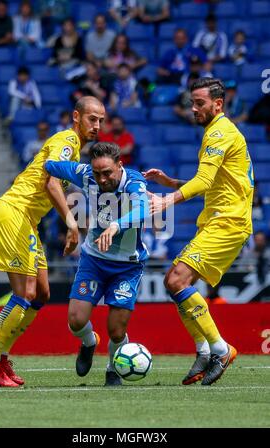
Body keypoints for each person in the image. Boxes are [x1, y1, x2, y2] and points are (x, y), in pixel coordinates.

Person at [0, 96, 105, 388]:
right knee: (24, 294)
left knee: (41, 294)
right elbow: (51, 181)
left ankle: (1, 358)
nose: (97, 125)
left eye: (101, 120)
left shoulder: (74, 149)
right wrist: (71, 223)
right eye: (92, 119)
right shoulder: (68, 142)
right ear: (76, 117)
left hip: (27, 222)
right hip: (14, 212)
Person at [144, 78, 254, 386]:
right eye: (192, 103)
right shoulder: (217, 132)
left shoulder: (219, 132)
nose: (193, 109)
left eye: (200, 103)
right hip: (221, 219)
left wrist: (168, 200)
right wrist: (172, 184)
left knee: (175, 279)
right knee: (178, 283)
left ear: (218, 104)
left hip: (228, 221)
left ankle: (219, 349)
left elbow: (204, 181)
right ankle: (205, 350)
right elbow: (214, 182)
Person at [45, 141, 149, 386]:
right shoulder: (86, 175)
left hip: (127, 265)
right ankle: (89, 342)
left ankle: (113, 369)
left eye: (107, 173)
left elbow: (143, 210)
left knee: (116, 330)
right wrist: (55, 150)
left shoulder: (134, 182)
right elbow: (52, 166)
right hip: (94, 259)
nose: (101, 179)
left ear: (120, 166)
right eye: (97, 173)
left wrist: (115, 225)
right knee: (76, 320)